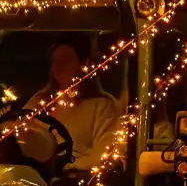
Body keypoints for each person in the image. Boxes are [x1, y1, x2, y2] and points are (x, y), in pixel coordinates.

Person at [17, 36, 122, 171]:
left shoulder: (102, 106)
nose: (59, 66)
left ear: (84, 63)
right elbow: (18, 134)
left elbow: (103, 156)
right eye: (55, 61)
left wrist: (63, 168)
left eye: (65, 60)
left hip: (73, 181)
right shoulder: (40, 101)